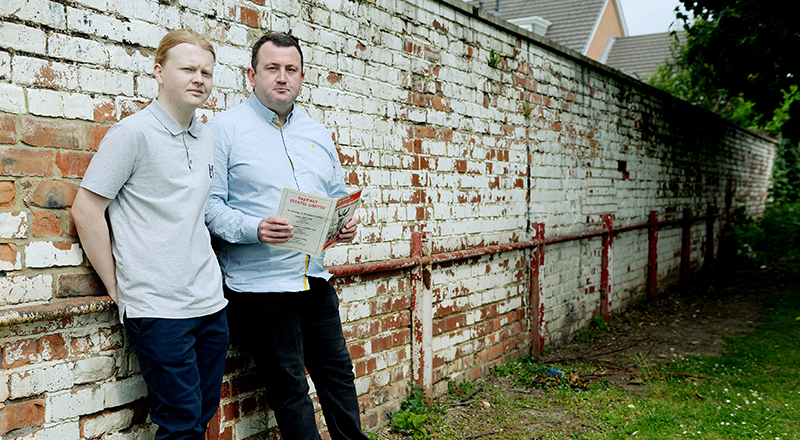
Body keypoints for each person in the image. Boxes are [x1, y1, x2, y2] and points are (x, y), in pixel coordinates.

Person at [204, 32, 365, 440]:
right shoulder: (223, 130)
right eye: (272, 68)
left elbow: (336, 194)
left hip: (314, 278)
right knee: (289, 386)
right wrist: (254, 228)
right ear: (251, 75)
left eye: (290, 69)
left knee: (338, 376)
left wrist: (343, 223)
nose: (282, 77)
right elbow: (209, 208)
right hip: (260, 287)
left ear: (302, 76)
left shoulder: (317, 132)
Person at [72, 29, 228, 440]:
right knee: (180, 426)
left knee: (201, 417)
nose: (199, 78)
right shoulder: (132, 134)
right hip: (159, 309)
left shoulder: (207, 136)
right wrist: (117, 287)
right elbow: (87, 211)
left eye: (207, 72)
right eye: (188, 69)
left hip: (210, 302)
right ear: (159, 72)